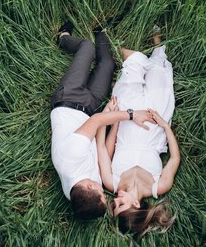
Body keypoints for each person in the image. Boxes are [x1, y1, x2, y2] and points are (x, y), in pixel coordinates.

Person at [50, 18, 154, 220]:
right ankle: (100, 28)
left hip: (69, 99)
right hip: (90, 109)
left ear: (89, 186)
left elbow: (97, 121)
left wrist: (131, 115)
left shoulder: (70, 157)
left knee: (86, 48)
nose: (106, 193)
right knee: (107, 64)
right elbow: (100, 148)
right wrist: (109, 114)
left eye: (102, 194)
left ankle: (63, 38)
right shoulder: (79, 194)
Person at [96, 26, 181, 235]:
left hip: (125, 122)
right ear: (135, 203)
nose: (115, 201)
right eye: (120, 205)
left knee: (133, 61)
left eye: (113, 207)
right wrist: (164, 125)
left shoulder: (111, 182)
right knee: (159, 72)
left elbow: (102, 148)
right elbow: (174, 159)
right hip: (155, 127)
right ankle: (156, 39)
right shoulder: (158, 187)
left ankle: (127, 44)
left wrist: (113, 119)